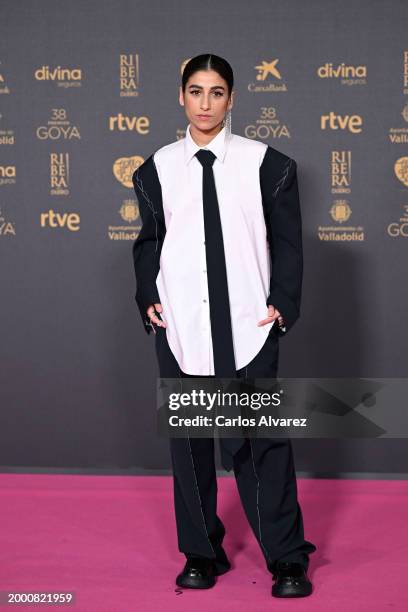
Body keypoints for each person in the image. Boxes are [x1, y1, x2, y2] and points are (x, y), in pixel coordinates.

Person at [131, 53, 317, 598]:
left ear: (232, 99)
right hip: (181, 322)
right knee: (189, 441)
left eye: (216, 92)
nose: (205, 103)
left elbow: (287, 244)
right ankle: (201, 552)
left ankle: (286, 558)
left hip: (249, 323)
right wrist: (148, 297)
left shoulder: (268, 165)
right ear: (181, 97)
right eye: (195, 91)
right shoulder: (156, 169)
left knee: (261, 441)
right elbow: (149, 243)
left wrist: (283, 301)